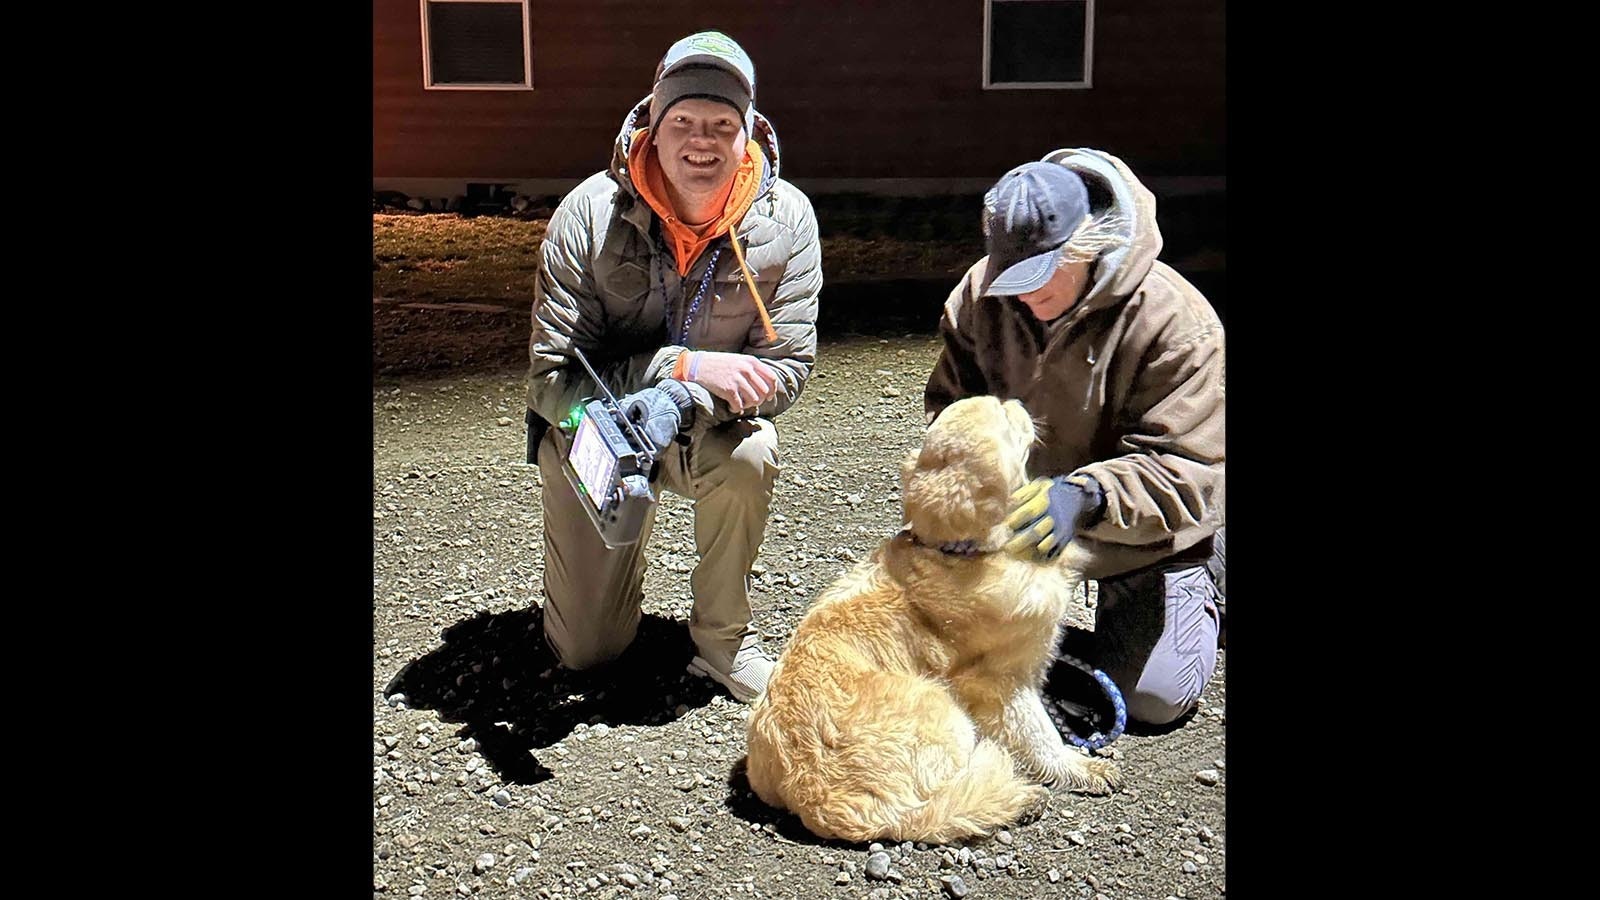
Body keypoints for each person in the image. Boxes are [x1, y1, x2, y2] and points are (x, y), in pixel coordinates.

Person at [524, 31, 821, 702]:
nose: (702, 140)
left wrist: (686, 399)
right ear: (653, 128)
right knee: (587, 654)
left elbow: (787, 365)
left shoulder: (788, 221)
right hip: (593, 427)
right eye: (683, 120)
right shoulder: (586, 217)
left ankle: (723, 642)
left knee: (753, 453)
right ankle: (607, 591)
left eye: (722, 124)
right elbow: (549, 381)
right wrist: (675, 367)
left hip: (704, 432)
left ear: (749, 134)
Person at [924, 149, 1225, 727]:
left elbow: (1184, 467)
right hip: (1016, 521)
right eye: (1011, 278)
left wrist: (1084, 497)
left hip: (1136, 524)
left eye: (1041, 277)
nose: (1022, 297)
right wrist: (964, 497)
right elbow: (951, 411)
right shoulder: (979, 297)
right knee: (934, 656)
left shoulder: (1177, 322)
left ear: (1089, 246)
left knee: (1152, 701)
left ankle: (1209, 570)